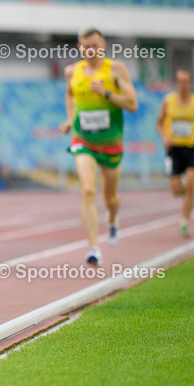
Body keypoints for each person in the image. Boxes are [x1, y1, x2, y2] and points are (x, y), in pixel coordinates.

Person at [59, 28, 138, 266]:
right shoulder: (72, 71)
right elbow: (70, 97)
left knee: (110, 197)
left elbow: (133, 104)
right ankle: (94, 247)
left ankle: (112, 219)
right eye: (85, 46)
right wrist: (70, 121)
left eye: (94, 45)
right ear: (80, 48)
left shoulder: (115, 69)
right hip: (83, 140)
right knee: (88, 190)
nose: (90, 50)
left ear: (103, 45)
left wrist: (106, 93)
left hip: (111, 143)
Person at [157, 68, 194, 238]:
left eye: (186, 81)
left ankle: (184, 220)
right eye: (180, 81)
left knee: (190, 184)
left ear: (190, 83)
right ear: (176, 83)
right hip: (173, 148)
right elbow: (159, 123)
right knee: (176, 190)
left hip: (192, 148)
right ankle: (182, 190)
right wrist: (164, 137)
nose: (183, 84)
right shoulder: (168, 101)